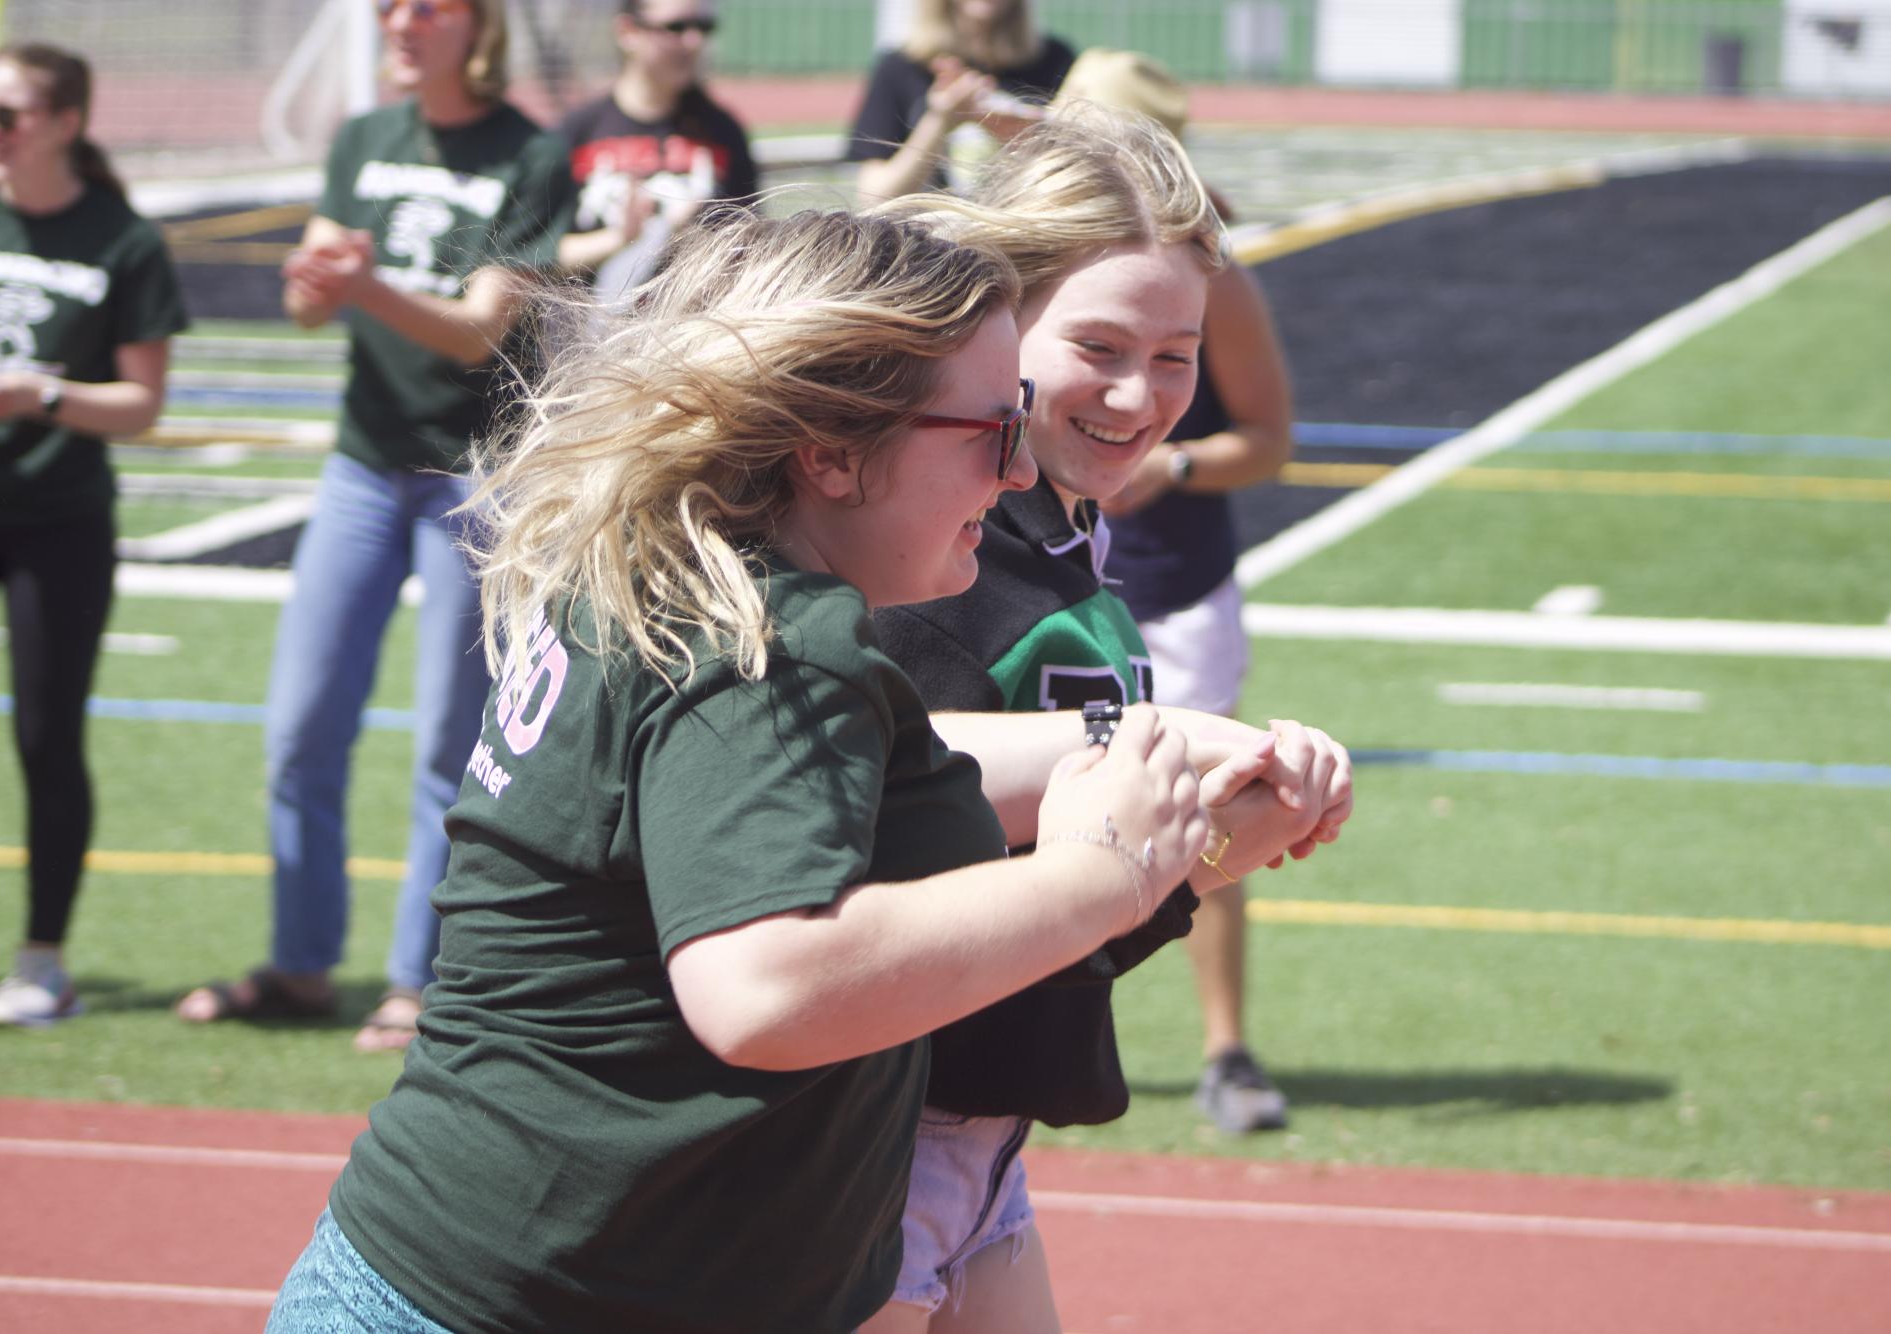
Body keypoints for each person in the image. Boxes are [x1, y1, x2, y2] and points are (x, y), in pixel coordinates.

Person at [265, 208, 1220, 1333]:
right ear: (828, 449)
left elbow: (899, 768)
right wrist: (1099, 875)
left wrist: (1147, 757)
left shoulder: (694, 581)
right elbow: (765, 987)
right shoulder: (766, 648)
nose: (1017, 472)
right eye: (986, 430)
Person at [864, 104, 1353, 1331]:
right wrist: (1156, 793)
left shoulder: (1064, 538)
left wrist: (1227, 826)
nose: (1141, 395)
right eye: (1098, 344)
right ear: (1000, 322)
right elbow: (863, 835)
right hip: (873, 1138)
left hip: (984, 1142)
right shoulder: (935, 562)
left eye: (1178, 354)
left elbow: (1080, 898)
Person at [176, 0, 574, 1051]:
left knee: (451, 740)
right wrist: (320, 282)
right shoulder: (364, 136)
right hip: (361, 465)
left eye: (426, 6)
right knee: (301, 727)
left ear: (474, 25)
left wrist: (363, 284)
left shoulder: (530, 154)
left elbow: (478, 331)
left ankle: (418, 979)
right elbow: (313, 301)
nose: (400, 21)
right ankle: (302, 964)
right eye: (391, 5)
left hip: (472, 476)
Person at [1060, 48, 1301, 1135]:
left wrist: (1177, 466)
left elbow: (1269, 438)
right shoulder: (1021, 266)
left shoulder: (1214, 274)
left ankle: (1225, 1047)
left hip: (1169, 584)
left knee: (1208, 819)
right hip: (1033, 581)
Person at [0, 44, 188, 1027]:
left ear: (65, 123)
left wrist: (43, 393)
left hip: (56, 520)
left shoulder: (123, 241)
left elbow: (143, 403)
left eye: (10, 113)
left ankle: (43, 958)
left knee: (43, 735)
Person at [554, 0, 757, 300]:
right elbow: (540, 258)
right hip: (593, 331)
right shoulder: (578, 131)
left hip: (694, 328)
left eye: (703, 27)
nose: (693, 41)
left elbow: (750, 244)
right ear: (628, 31)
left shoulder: (722, 131)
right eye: (675, 27)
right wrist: (623, 239)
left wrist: (688, 236)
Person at [846, 0, 1074, 204]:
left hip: (1025, 237)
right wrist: (939, 121)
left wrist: (1028, 138)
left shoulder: (1054, 60)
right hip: (932, 242)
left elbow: (1079, 182)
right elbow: (874, 198)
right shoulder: (902, 67)